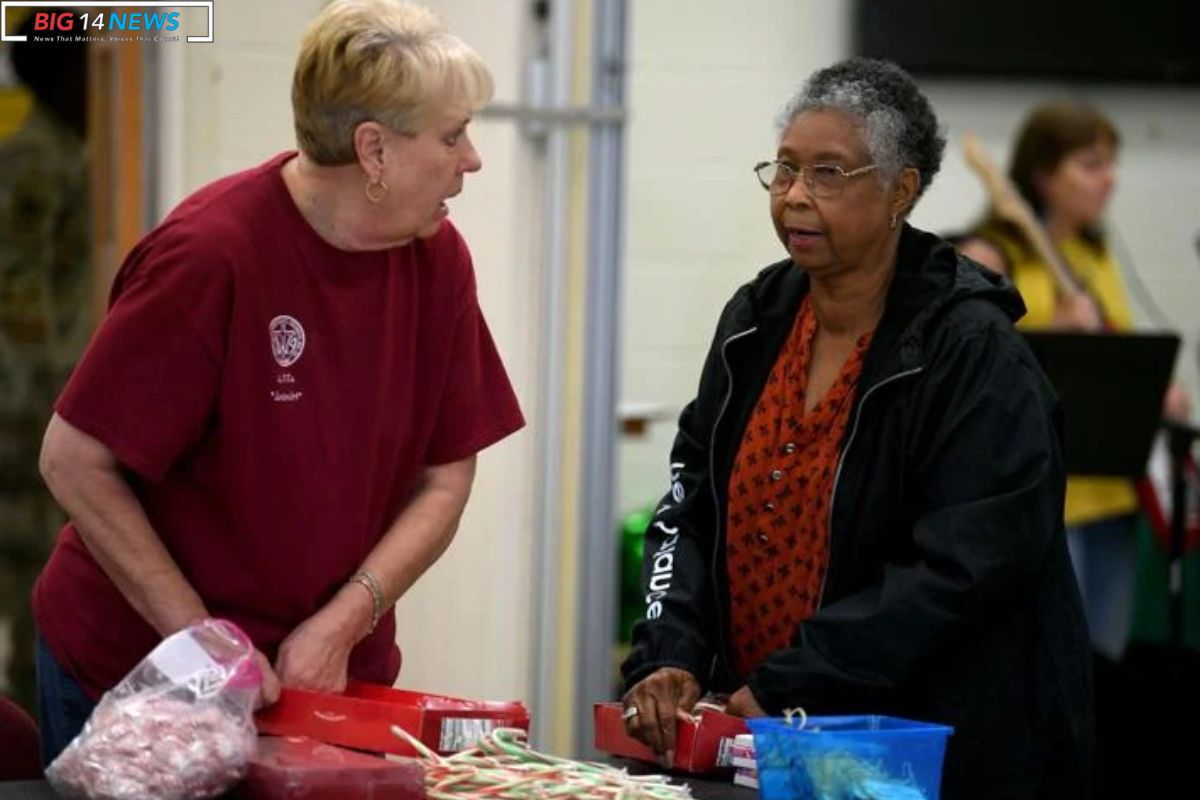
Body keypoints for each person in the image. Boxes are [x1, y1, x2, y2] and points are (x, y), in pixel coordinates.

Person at [31, 0, 524, 764]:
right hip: (144, 669)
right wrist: (202, 646)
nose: (472, 160)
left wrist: (345, 619)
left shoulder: (438, 259)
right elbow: (72, 459)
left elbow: (446, 472)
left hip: (321, 678)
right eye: (452, 135)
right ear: (374, 150)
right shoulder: (211, 256)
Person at [620, 58, 1092, 799]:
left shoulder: (972, 351)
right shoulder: (757, 319)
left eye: (829, 173)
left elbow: (960, 571)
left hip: (931, 755)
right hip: (772, 742)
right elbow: (689, 504)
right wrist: (668, 653)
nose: (795, 197)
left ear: (901, 190)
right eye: (783, 170)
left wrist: (793, 681)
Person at [958, 101, 1190, 660]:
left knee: (1105, 660)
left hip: (1112, 487)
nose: (1109, 179)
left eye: (1111, 163)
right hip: (1043, 500)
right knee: (1055, 659)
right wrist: (1048, 332)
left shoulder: (1093, 251)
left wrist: (1158, 389)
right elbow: (967, 363)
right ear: (1042, 173)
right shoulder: (994, 253)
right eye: (1091, 164)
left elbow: (1113, 359)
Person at [0, 12, 91, 717]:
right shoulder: (38, 155)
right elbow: (18, 302)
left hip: (30, 412)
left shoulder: (36, 143)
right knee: (36, 585)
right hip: (23, 415)